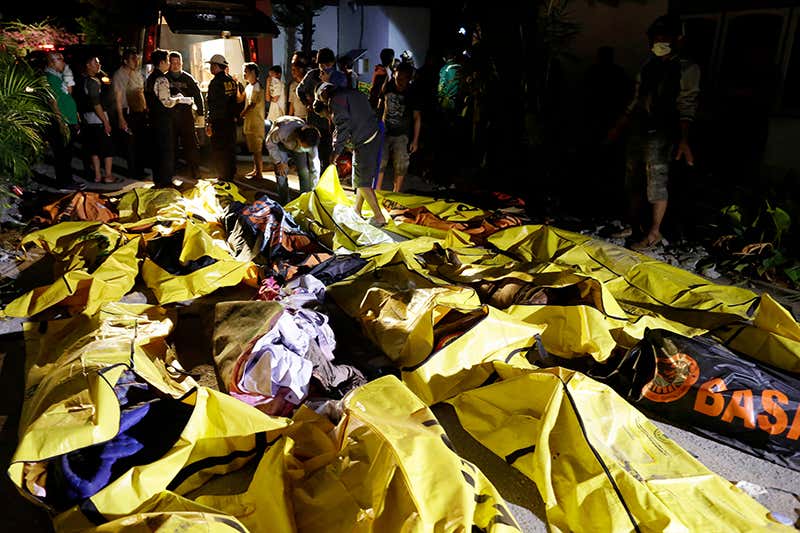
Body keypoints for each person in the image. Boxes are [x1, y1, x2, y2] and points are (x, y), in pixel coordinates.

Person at [608, 15, 700, 250]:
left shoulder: (686, 68)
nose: (658, 42)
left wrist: (683, 139)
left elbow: (687, 103)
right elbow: (636, 99)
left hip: (662, 133)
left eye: (664, 37)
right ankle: (634, 223)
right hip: (640, 130)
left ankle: (654, 232)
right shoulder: (649, 65)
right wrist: (619, 127)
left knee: (656, 181)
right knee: (633, 179)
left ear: (677, 39)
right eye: (655, 38)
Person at [314, 82, 386, 226]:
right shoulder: (352, 93)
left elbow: (343, 127)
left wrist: (336, 152)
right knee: (360, 178)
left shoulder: (336, 100)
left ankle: (379, 217)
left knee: (362, 181)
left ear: (323, 93)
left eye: (321, 98)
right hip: (373, 134)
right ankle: (357, 210)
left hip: (364, 140)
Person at [146, 49, 189, 188]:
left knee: (156, 150)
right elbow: (167, 102)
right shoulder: (162, 79)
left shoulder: (150, 78)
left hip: (153, 118)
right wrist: (179, 100)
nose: (169, 64)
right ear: (162, 62)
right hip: (163, 120)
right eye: (168, 61)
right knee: (166, 151)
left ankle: (158, 180)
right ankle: (165, 181)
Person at [376, 62, 421, 193]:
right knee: (380, 162)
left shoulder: (412, 92)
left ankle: (396, 193)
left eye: (404, 79)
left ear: (409, 79)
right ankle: (377, 192)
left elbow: (417, 118)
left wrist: (415, 140)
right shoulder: (388, 87)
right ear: (394, 74)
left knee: (401, 165)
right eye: (398, 78)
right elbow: (380, 107)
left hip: (402, 134)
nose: (401, 82)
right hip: (384, 131)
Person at [75, 56, 116, 184]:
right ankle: (108, 175)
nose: (99, 65)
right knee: (107, 149)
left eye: (99, 63)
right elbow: (96, 104)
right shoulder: (93, 82)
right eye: (96, 63)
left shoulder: (83, 80)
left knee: (94, 149)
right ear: (88, 65)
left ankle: (97, 175)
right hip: (98, 119)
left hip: (88, 119)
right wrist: (105, 121)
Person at [44, 51, 80, 187]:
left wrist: (67, 75)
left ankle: (68, 180)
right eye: (60, 59)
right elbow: (53, 102)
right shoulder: (49, 78)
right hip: (60, 121)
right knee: (62, 154)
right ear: (52, 62)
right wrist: (61, 122)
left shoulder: (58, 76)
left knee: (68, 153)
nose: (63, 62)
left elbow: (69, 93)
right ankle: (63, 183)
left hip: (68, 120)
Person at [265, 116, 321, 203]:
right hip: (280, 145)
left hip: (297, 146)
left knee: (304, 172)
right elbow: (270, 143)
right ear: (298, 138)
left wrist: (314, 189)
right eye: (304, 146)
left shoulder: (311, 142)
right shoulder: (282, 131)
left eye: (307, 148)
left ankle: (305, 200)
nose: (305, 149)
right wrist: (278, 162)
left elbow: (315, 167)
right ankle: (284, 202)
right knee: (281, 172)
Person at [167, 51, 203, 179]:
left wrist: (200, 113)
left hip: (186, 116)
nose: (176, 65)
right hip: (170, 117)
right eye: (173, 63)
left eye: (178, 63)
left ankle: (194, 170)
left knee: (191, 144)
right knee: (172, 145)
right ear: (168, 63)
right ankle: (173, 170)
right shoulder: (164, 78)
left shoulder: (188, 78)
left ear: (182, 63)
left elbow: (198, 96)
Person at [112, 49, 148, 179]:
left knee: (141, 142)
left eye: (137, 59)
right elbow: (118, 97)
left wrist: (145, 107)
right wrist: (121, 118)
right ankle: (133, 171)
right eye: (133, 59)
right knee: (130, 143)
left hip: (139, 111)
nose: (136, 62)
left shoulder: (137, 73)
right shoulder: (119, 75)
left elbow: (141, 91)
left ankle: (140, 169)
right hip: (127, 111)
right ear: (125, 61)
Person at [205, 54, 239, 181]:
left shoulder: (215, 83)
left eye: (212, 65)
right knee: (230, 148)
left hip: (219, 122)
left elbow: (213, 104)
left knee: (219, 150)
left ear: (217, 66)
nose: (211, 68)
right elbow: (235, 102)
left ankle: (222, 176)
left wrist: (209, 123)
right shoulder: (230, 81)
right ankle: (230, 174)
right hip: (230, 121)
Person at [241, 62, 266, 178]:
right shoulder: (249, 86)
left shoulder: (257, 86)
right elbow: (240, 98)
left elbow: (252, 104)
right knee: (254, 149)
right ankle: (256, 170)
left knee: (257, 150)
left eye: (246, 72)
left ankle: (259, 173)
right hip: (250, 123)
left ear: (252, 72)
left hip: (256, 123)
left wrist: (242, 114)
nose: (244, 74)